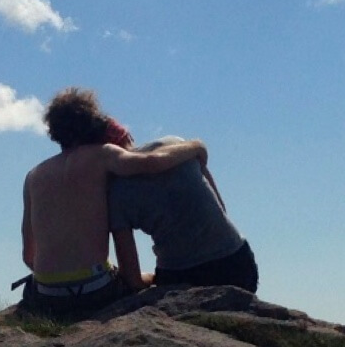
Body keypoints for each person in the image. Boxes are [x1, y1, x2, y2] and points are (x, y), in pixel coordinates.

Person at [16, 87, 206, 318]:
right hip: (95, 289)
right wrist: (195, 146)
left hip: (46, 294)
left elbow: (28, 255)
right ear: (92, 121)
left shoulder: (33, 175)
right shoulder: (102, 155)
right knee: (141, 280)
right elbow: (151, 162)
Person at [107, 135, 257, 293]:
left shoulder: (115, 193)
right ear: (128, 137)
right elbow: (221, 208)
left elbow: (133, 280)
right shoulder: (176, 144)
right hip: (235, 259)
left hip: (178, 273)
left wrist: (154, 280)